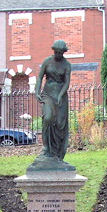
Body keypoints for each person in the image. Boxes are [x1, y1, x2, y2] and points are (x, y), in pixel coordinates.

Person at [28, 40, 74, 171]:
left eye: (61, 52)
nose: (58, 54)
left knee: (60, 125)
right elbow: (40, 77)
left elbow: (66, 82)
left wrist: (60, 95)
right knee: (48, 118)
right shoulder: (47, 62)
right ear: (53, 51)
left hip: (60, 96)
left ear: (64, 52)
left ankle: (57, 154)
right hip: (48, 94)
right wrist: (37, 92)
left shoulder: (67, 65)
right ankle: (47, 148)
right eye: (56, 52)